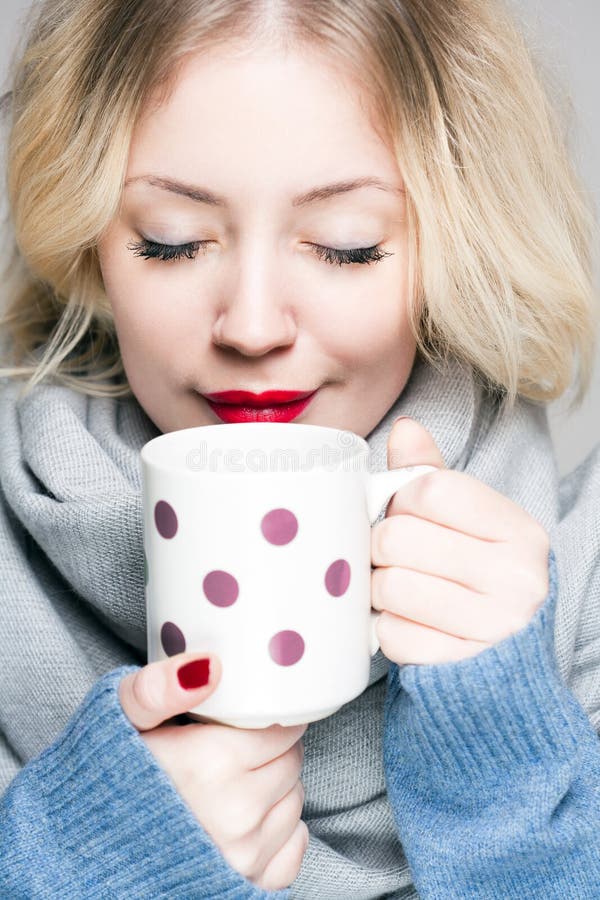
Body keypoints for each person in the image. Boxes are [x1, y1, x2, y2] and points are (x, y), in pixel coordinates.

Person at [0, 0, 599, 896]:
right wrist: (72, 863)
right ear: (89, 243)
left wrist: (499, 751)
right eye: (170, 243)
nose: (250, 326)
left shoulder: (581, 569)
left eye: (345, 248)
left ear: (455, 242)